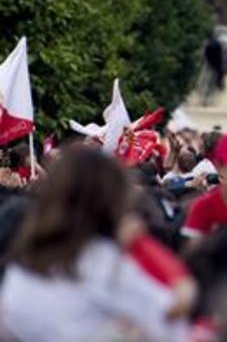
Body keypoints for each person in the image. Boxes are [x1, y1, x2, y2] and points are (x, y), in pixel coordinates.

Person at [1, 146, 192, 342]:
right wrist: (143, 248)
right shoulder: (107, 266)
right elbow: (168, 316)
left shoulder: (23, 264)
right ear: (112, 199)